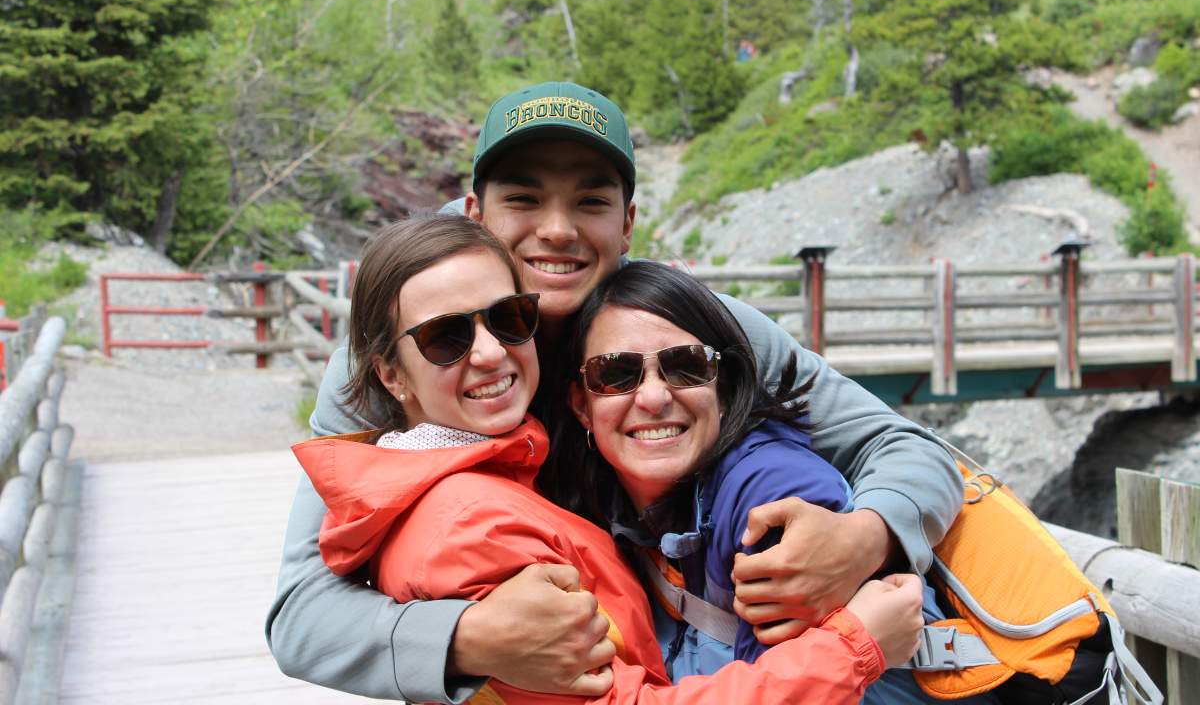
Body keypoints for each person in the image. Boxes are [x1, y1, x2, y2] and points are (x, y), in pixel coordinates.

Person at [266, 81, 963, 703]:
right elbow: (304, 616)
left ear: (627, 223)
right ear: (478, 212)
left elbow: (901, 444)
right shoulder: (400, 352)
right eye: (524, 198)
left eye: (591, 201)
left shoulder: (692, 327)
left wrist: (866, 538)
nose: (559, 229)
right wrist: (470, 639)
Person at [557, 260, 1000, 704]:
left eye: (686, 367)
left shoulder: (769, 497)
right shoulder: (624, 506)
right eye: (614, 374)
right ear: (581, 405)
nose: (653, 398)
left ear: (725, 389)